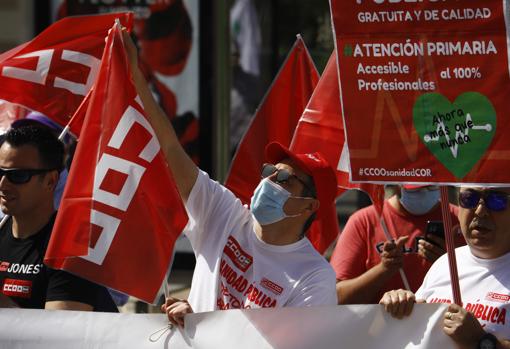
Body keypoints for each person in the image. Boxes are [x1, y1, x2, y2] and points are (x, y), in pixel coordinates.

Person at [122, 30, 338, 328]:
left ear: (309, 206)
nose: (270, 182)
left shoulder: (314, 278)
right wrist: (134, 75)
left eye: (285, 178)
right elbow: (170, 148)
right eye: (270, 171)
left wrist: (205, 322)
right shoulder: (223, 213)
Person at [0, 124, 117, 311]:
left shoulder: (72, 248)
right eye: (0, 173)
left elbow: (60, 332)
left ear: (51, 181)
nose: (3, 184)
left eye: (18, 175)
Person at [380, 187, 510, 349]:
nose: (480, 211)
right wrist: (401, 304)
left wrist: (480, 340)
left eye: (497, 200)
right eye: (469, 198)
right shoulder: (445, 262)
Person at [330, 184, 462, 304]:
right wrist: (383, 269)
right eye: (415, 187)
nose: (423, 191)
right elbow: (336, 297)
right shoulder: (364, 221)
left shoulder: (461, 220)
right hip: (380, 328)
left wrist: (445, 265)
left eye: (430, 186)